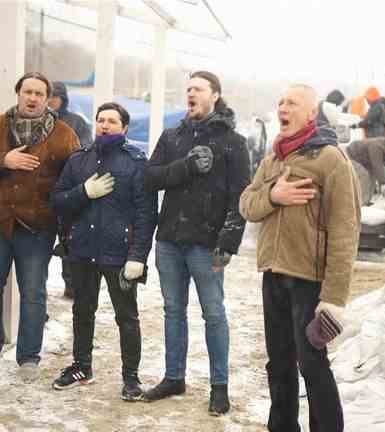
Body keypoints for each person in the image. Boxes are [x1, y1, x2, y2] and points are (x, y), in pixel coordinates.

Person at [239, 83, 360, 432]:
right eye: (280, 102)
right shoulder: (273, 157)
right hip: (273, 274)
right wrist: (274, 195)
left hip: (309, 279)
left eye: (292, 102)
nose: (282, 108)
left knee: (311, 364)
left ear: (311, 113)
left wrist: (334, 298)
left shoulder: (330, 159)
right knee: (278, 363)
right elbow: (247, 204)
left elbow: (346, 228)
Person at [142, 70, 250, 416]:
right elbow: (150, 178)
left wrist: (229, 241)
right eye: (187, 88)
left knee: (214, 313)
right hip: (170, 239)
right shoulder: (172, 137)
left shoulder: (234, 142)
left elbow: (241, 196)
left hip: (207, 243)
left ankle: (220, 387)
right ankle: (174, 377)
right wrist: (185, 167)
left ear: (214, 95)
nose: (190, 93)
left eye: (198, 89)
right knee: (173, 311)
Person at [0, 72, 80, 383]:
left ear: (47, 98)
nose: (32, 98)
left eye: (39, 93)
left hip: (37, 225)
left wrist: (65, 221)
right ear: (18, 94)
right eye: (27, 91)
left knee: (33, 292)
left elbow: (74, 177)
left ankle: (29, 356)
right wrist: (3, 160)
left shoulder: (64, 134)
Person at [50, 102, 157, 401]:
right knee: (82, 311)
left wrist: (138, 256)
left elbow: (146, 214)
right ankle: (82, 366)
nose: (104, 125)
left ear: (124, 128)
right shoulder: (78, 161)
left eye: (112, 121)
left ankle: (131, 378)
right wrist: (84, 192)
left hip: (119, 254)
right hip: (83, 250)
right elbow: (58, 201)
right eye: (100, 120)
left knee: (127, 317)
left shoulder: (136, 162)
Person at [50, 81, 93, 300]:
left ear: (63, 98)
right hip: (43, 192)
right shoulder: (37, 122)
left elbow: (85, 149)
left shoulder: (76, 122)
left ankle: (71, 284)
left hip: (69, 190)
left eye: (55, 96)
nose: (51, 100)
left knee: (68, 239)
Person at [346, 135, 385, 205]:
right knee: (364, 176)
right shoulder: (377, 146)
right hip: (352, 156)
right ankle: (362, 203)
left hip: (365, 161)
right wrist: (383, 183)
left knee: (373, 176)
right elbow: (377, 165)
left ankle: (367, 200)